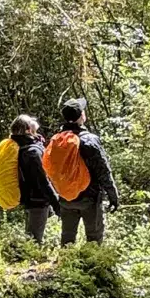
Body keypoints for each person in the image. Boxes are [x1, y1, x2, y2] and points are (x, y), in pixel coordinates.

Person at [45, 96, 120, 246]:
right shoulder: (89, 140)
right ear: (82, 116)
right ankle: (92, 266)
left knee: (67, 237)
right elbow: (103, 170)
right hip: (89, 198)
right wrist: (113, 195)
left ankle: (66, 265)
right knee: (94, 237)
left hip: (66, 197)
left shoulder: (58, 140)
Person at [11, 112, 60, 245]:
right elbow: (43, 181)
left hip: (30, 198)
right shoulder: (32, 152)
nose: (34, 120)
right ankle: (29, 261)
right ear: (27, 130)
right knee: (34, 240)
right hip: (37, 200)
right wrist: (56, 203)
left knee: (31, 235)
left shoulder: (22, 146)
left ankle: (26, 256)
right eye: (30, 121)